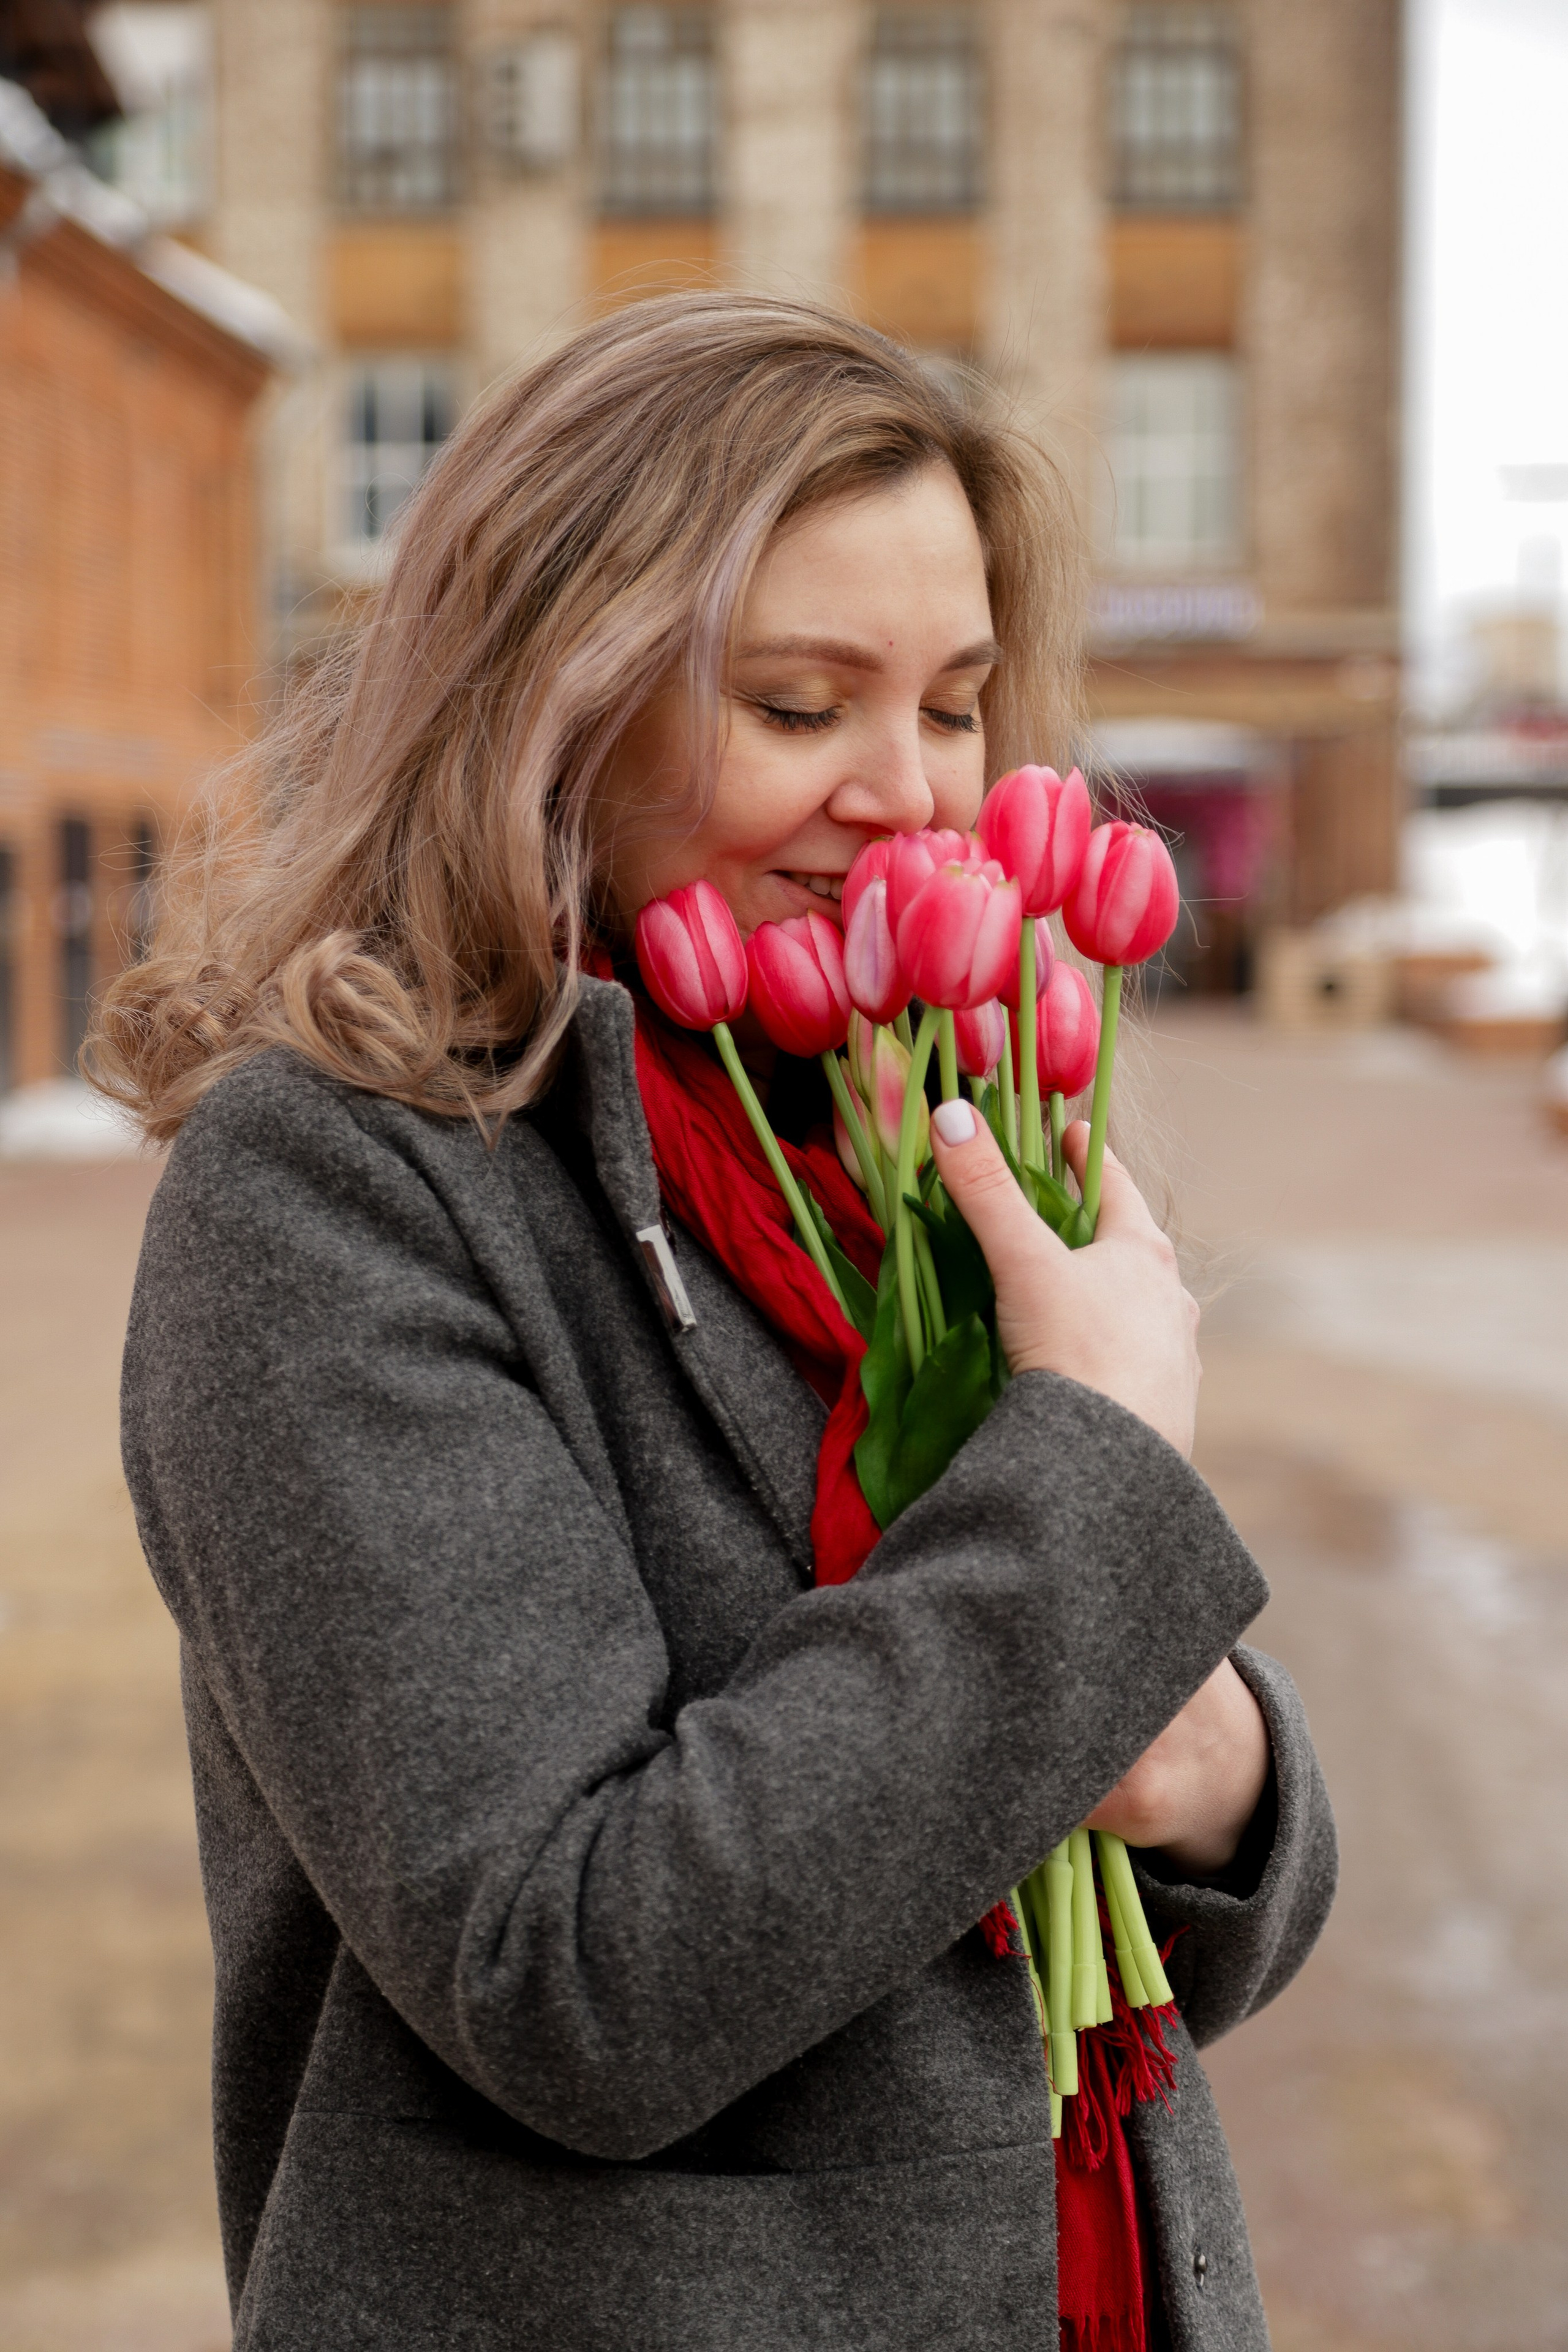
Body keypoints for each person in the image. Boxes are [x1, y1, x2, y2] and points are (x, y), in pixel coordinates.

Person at [96, 295, 1335, 2352]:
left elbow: (1122, 1920)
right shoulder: (341, 1197)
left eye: (951, 705)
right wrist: (1096, 1480)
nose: (914, 799)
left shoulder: (916, 1144)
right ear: (545, 704)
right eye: (793, 704)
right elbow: (573, 1982)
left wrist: (1221, 1779)